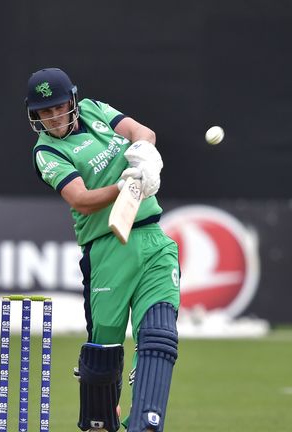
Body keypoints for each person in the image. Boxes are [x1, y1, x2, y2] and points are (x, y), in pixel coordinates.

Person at [26, 67, 180, 432]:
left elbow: (142, 133)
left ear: (73, 101)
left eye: (58, 107)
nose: (53, 118)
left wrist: (144, 157)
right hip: (106, 249)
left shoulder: (95, 110)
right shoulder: (47, 150)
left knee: (159, 336)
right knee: (104, 358)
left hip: (153, 239)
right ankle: (100, 425)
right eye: (44, 113)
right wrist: (125, 183)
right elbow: (80, 199)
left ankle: (145, 424)